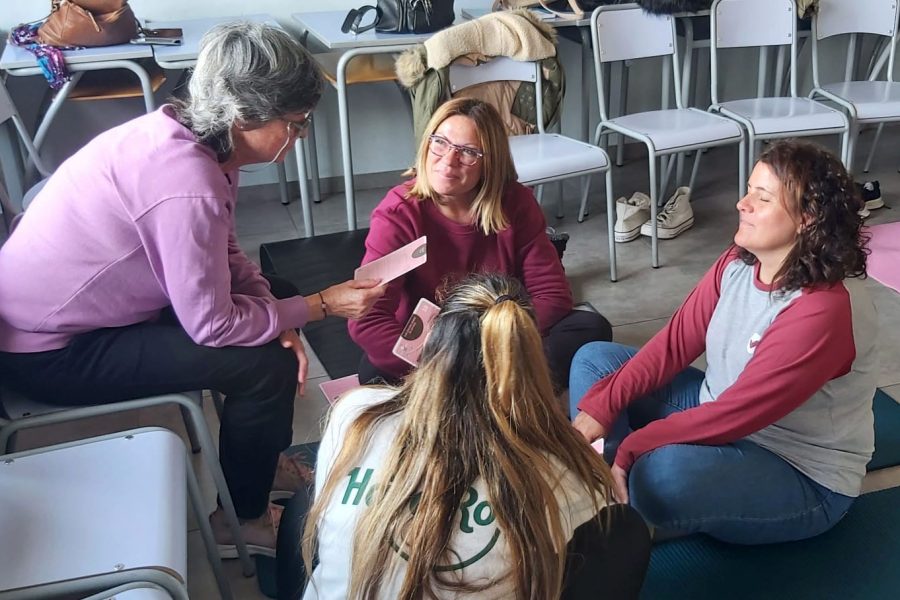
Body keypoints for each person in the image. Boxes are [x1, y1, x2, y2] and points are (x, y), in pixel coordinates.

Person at [0, 23, 383, 555]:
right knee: (264, 366)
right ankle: (243, 523)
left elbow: (223, 250)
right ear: (245, 115)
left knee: (276, 291)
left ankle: (260, 460)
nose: (300, 137)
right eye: (296, 124)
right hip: (50, 351)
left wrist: (281, 309)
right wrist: (316, 307)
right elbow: (213, 323)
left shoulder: (192, 136)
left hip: (80, 312)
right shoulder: (186, 183)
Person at [569, 139, 876, 545]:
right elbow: (674, 345)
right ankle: (611, 489)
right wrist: (602, 405)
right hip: (717, 409)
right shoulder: (740, 258)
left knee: (661, 475)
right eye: (749, 190)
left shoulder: (823, 309)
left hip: (797, 469)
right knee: (594, 363)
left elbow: (735, 414)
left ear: (807, 218)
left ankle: (620, 485)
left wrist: (631, 451)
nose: (741, 204)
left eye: (761, 198)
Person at [298, 273, 651, 600]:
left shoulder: (354, 412)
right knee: (624, 532)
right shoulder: (563, 474)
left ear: (432, 342)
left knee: (309, 500)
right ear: (533, 365)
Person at [348, 97, 612, 388]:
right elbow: (368, 319)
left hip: (498, 337)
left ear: (490, 162)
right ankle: (492, 391)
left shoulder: (515, 202)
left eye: (468, 152)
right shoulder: (399, 212)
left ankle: (476, 389)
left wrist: (487, 349)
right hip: (435, 346)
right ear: (426, 143)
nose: (448, 161)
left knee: (589, 328)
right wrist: (449, 358)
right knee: (373, 368)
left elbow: (552, 296)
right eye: (441, 142)